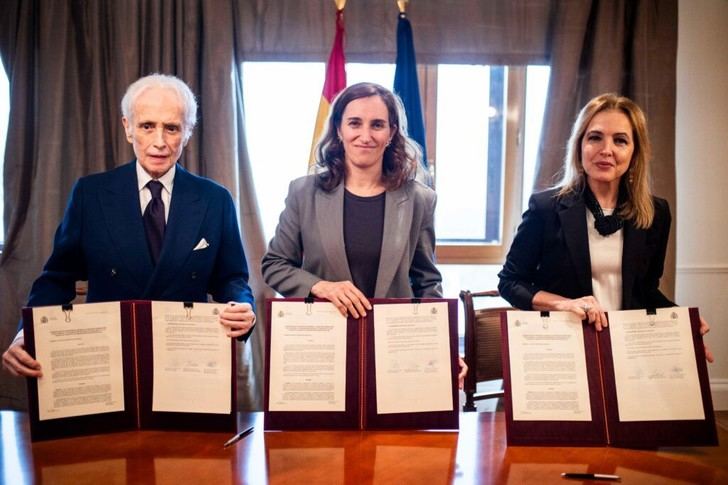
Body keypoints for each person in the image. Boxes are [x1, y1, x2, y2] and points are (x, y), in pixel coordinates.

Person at [2, 74, 257, 377]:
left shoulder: (215, 199)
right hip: (110, 365)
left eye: (172, 128)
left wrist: (243, 307)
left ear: (187, 132)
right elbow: (57, 279)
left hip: (186, 365)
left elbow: (231, 279)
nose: (159, 142)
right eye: (147, 126)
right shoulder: (90, 195)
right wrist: (27, 334)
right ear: (128, 128)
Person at [261, 82, 467, 386]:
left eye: (377, 125)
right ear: (339, 129)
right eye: (355, 123)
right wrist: (322, 287)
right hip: (322, 347)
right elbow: (274, 265)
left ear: (392, 132)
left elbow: (427, 281)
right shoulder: (303, 192)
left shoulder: (419, 199)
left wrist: (443, 345)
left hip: (396, 351)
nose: (365, 135)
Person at [498, 93, 713, 362]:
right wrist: (564, 304)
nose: (606, 149)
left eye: (620, 140)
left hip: (627, 352)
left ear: (635, 152)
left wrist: (684, 324)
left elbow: (645, 292)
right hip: (563, 349)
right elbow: (510, 282)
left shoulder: (656, 213)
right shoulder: (545, 208)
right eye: (595, 137)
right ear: (580, 146)